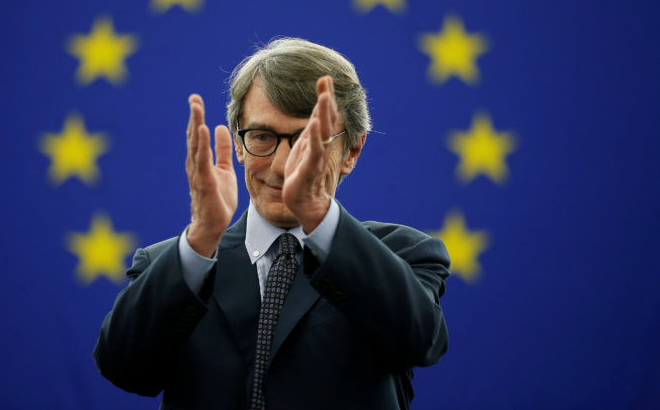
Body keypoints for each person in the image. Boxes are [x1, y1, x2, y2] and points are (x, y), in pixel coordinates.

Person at [94, 38, 450, 410]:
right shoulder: (176, 265)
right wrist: (201, 239)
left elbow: (421, 340)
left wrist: (316, 213)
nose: (282, 165)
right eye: (263, 137)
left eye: (306, 141)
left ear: (352, 151)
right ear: (238, 144)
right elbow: (123, 369)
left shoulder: (405, 254)